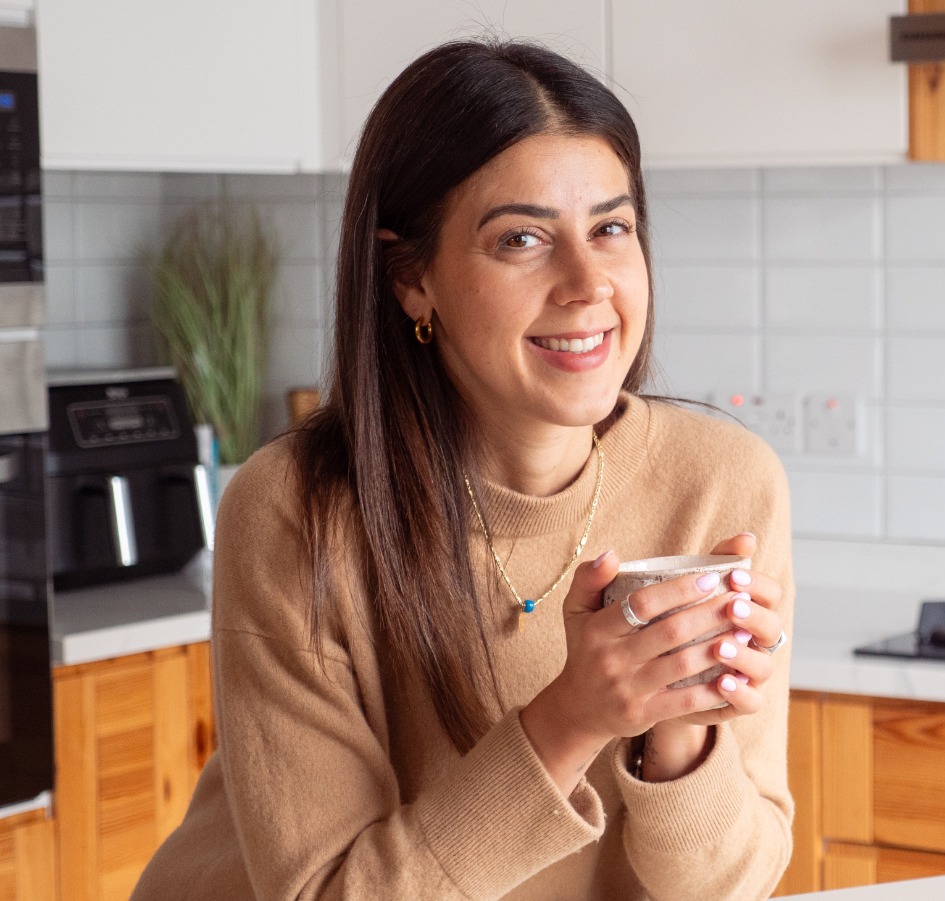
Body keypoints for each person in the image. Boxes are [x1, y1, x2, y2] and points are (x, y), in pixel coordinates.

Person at [132, 38, 794, 901]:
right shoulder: (296, 508)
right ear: (411, 277)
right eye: (521, 238)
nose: (587, 282)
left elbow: (730, 886)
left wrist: (675, 730)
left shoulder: (722, 481)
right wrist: (572, 717)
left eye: (611, 228)